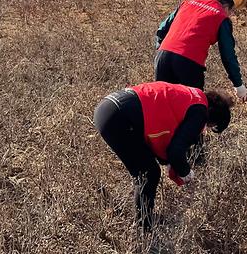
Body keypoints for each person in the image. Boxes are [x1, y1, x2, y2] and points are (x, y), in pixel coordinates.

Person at [94, 81, 233, 231]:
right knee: (148, 173)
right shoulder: (200, 112)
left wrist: (167, 161)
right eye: (210, 126)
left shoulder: (193, 96)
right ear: (212, 117)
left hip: (110, 105)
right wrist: (185, 172)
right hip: (118, 118)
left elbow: (163, 129)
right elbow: (176, 151)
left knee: (147, 168)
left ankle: (146, 218)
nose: (204, 130)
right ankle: (145, 232)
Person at [155, 0, 247, 102]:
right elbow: (228, 55)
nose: (230, 15)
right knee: (193, 106)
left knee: (162, 102)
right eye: (231, 12)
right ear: (227, 7)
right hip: (188, 63)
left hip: (162, 57)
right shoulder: (221, 16)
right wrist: (238, 84)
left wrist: (161, 50)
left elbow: (161, 30)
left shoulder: (187, 4)